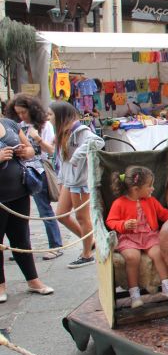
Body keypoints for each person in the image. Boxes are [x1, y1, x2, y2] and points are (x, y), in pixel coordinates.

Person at [0, 115, 54, 303]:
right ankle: (0, 286)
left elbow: (31, 149)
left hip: (19, 191)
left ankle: (33, 280)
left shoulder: (9, 124)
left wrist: (26, 151)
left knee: (21, 238)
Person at [105, 166, 168, 308]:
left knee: (158, 253)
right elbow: (110, 221)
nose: (153, 189)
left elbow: (163, 213)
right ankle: (134, 294)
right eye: (149, 186)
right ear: (136, 189)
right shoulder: (119, 203)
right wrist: (123, 224)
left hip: (149, 236)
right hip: (129, 237)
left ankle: (167, 286)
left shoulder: (151, 201)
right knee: (132, 258)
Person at [4, 95, 63, 260]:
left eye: (24, 112)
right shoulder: (17, 126)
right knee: (20, 215)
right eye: (18, 113)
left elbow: (51, 151)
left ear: (32, 109)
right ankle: (22, 248)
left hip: (38, 171)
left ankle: (56, 245)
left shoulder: (44, 125)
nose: (21, 116)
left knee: (44, 210)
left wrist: (37, 138)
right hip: (21, 171)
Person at [52, 102, 105, 269]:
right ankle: (90, 243)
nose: (48, 118)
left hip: (80, 182)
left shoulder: (81, 131)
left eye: (50, 115)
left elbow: (98, 141)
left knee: (82, 218)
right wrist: (61, 179)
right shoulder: (64, 133)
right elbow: (62, 160)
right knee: (61, 215)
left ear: (60, 115)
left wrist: (77, 157)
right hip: (69, 180)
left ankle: (87, 253)